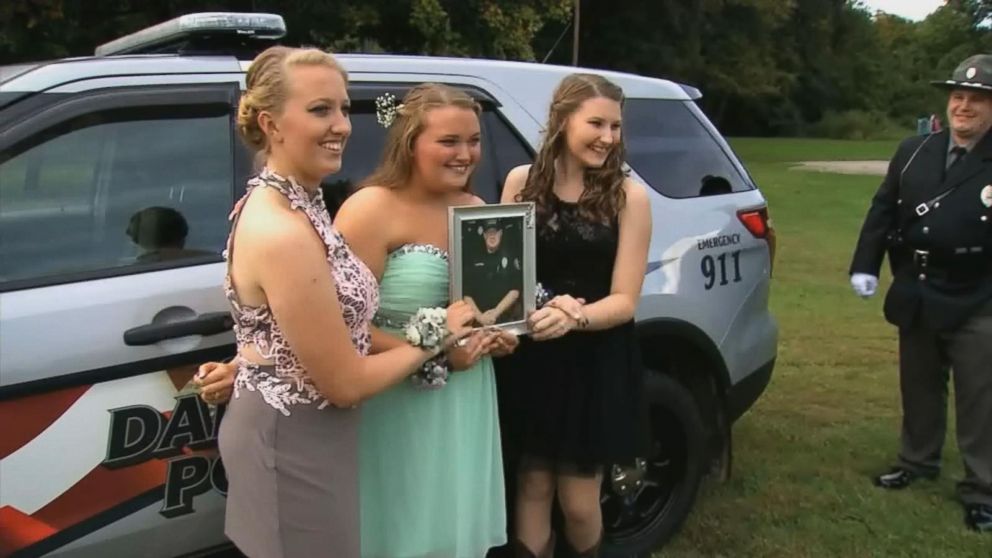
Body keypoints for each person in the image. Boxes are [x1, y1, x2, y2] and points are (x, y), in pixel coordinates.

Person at [205, 47, 473, 558]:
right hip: (290, 439)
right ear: (271, 123)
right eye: (320, 110)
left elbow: (286, 326)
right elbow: (346, 382)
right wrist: (439, 334)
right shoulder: (281, 228)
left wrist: (245, 359)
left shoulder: (300, 202)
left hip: (316, 432)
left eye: (344, 109)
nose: (342, 126)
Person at [336, 83, 515, 558]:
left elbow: (483, 305)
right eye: (449, 142)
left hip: (466, 394)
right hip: (395, 397)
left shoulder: (478, 211)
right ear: (410, 141)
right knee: (400, 524)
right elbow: (341, 326)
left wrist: (494, 335)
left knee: (449, 527)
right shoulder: (370, 208)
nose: (466, 154)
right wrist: (433, 355)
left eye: (474, 141)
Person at [497, 73, 653, 557]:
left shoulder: (630, 197)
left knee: (580, 500)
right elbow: (506, 275)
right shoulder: (521, 183)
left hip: (595, 360)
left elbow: (626, 299)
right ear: (562, 120)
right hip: (534, 358)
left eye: (616, 127)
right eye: (596, 124)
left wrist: (575, 316)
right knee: (532, 485)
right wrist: (541, 308)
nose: (608, 138)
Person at [849, 54, 992, 533]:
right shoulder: (914, 150)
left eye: (976, 99)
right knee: (920, 385)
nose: (964, 107)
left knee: (980, 397)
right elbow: (883, 210)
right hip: (920, 288)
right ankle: (917, 461)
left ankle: (982, 489)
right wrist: (864, 265)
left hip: (980, 295)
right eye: (958, 97)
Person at [464, 218, 523, 325]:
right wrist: (480, 317)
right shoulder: (473, 258)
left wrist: (495, 313)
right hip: (476, 321)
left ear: (500, 233)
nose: (492, 236)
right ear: (484, 235)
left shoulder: (510, 257)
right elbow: (466, 294)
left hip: (504, 320)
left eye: (495, 232)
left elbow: (515, 291)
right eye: (489, 232)